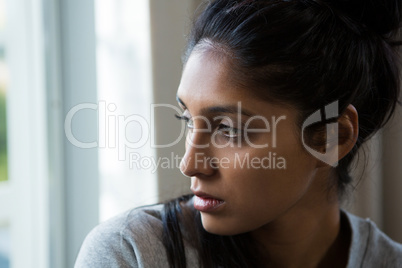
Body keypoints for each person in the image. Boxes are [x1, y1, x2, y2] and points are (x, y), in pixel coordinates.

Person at [75, 0, 402, 267]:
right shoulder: (132, 254)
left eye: (228, 129)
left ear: (331, 138)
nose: (190, 164)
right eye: (187, 119)